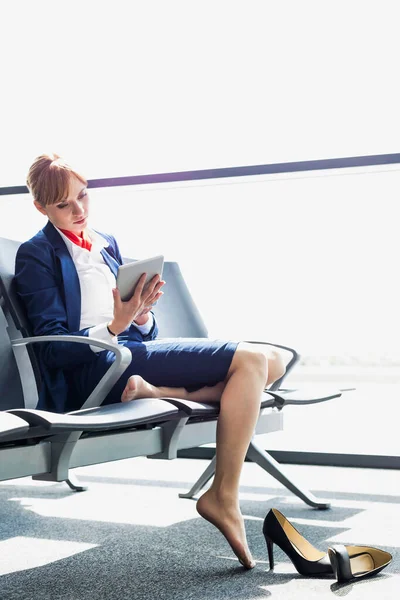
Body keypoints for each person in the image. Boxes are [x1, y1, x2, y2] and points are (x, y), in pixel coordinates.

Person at [15, 153, 286, 570]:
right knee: (252, 361)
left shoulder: (106, 244)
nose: (79, 210)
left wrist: (140, 316)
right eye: (64, 205)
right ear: (41, 208)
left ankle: (159, 392)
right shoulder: (36, 255)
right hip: (94, 367)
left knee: (273, 362)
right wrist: (112, 328)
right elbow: (49, 350)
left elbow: (146, 334)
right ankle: (223, 496)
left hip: (128, 354)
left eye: (83, 197)